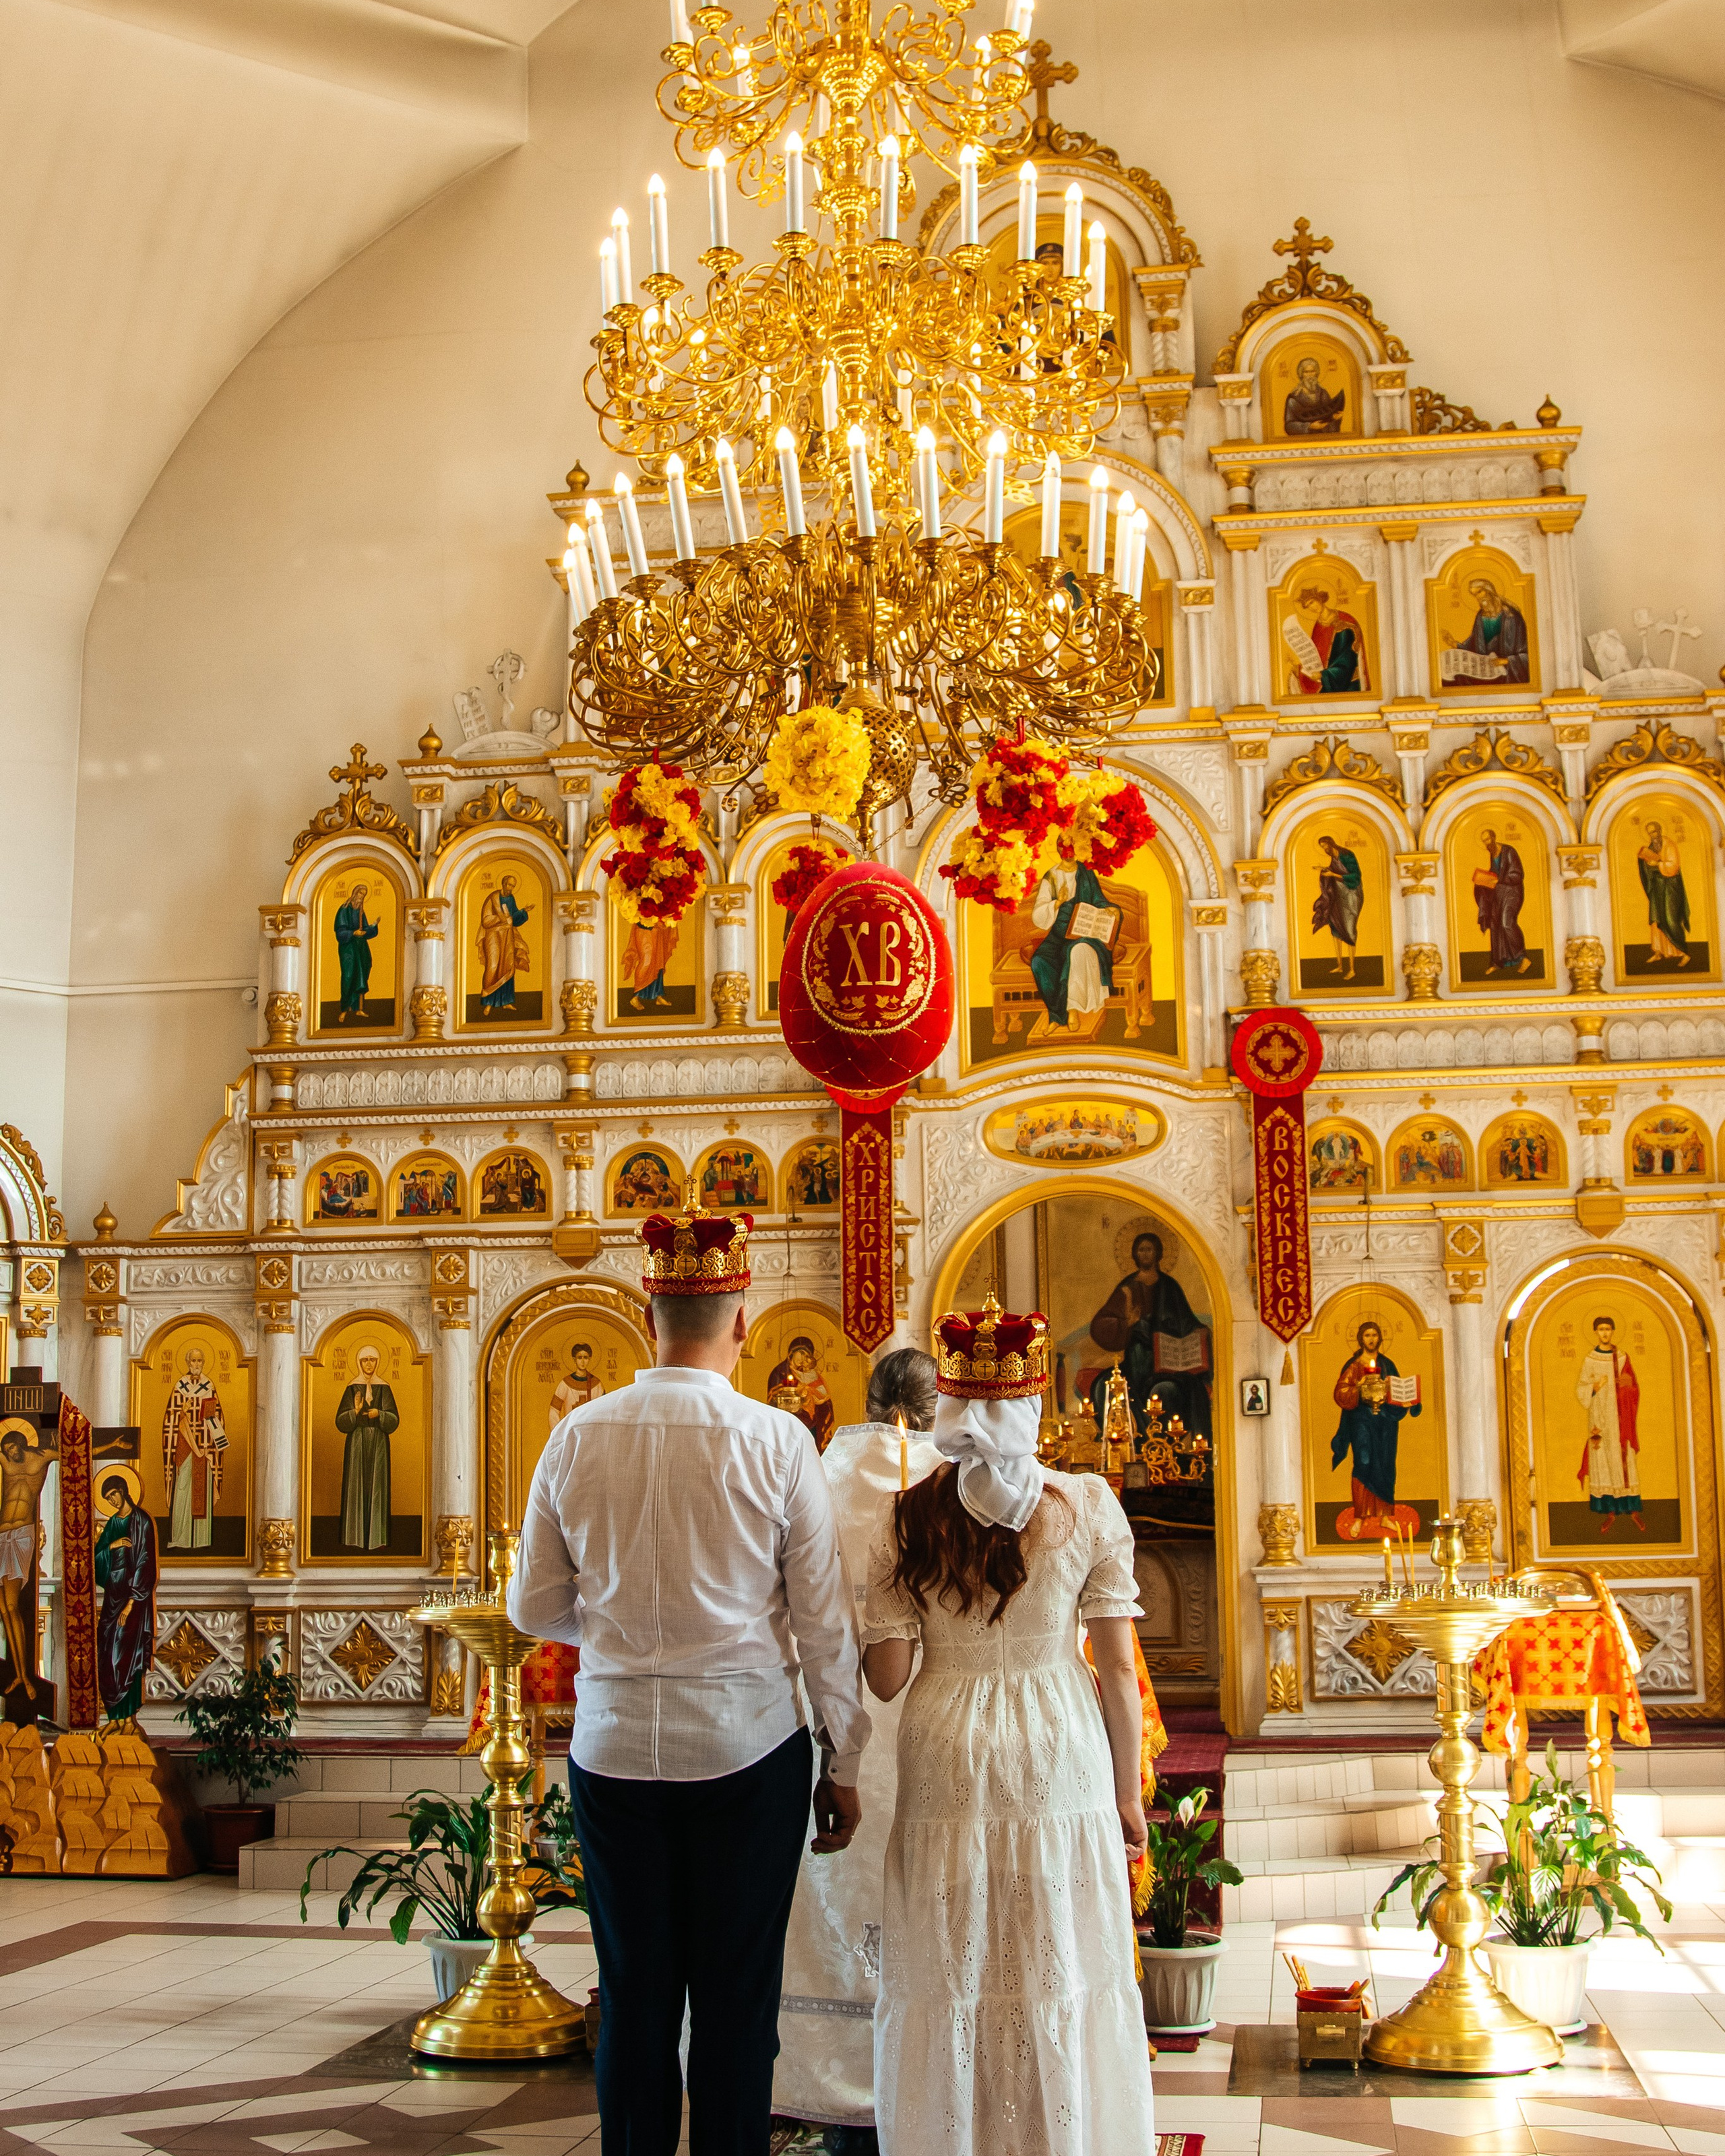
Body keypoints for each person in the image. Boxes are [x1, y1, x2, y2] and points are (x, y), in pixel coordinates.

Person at [508, 1182, 870, 2156]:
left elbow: (531, 1608)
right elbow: (825, 1624)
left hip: (614, 1749)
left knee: (632, 1988)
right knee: (737, 1998)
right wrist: (843, 1762)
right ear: (744, 1323)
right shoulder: (779, 1439)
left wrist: (628, 1636)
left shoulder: (577, 1435)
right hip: (749, 1749)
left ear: (644, 1313)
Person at [862, 1296, 1154, 2156]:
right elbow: (1118, 1675)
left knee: (956, 1954)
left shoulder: (906, 1513)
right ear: (1030, 1409)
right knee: (1053, 1949)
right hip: (1057, 1735)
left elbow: (885, 1679)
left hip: (944, 1733)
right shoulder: (1088, 1503)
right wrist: (1126, 1790)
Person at [774, 1348, 942, 2147]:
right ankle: (936, 2082)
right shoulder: (968, 1486)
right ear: (937, 1407)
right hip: (943, 1728)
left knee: (831, 1893)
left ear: (866, 1403)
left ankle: (839, 2096)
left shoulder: (815, 1475)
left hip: (831, 1719)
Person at [1088, 1229, 1212, 1442]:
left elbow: (1185, 1321)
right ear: (1135, 1254)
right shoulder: (1128, 1287)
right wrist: (1128, 1323)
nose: (1145, 1254)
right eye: (1141, 1249)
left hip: (1166, 1362)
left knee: (1165, 1391)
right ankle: (1125, 1443)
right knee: (1102, 1384)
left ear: (1159, 1253)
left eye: (1149, 1249)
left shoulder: (1169, 1287)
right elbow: (1103, 1323)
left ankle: (1163, 1446)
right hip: (1137, 1359)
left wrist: (1200, 1331)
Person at [1329, 1320, 1420, 1537]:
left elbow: (1399, 1388)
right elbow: (1341, 1392)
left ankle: (1386, 1516)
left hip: (1385, 1423)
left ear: (1380, 1338)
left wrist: (1407, 1401)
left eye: (1375, 1335)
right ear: (1361, 1339)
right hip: (1361, 1422)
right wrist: (1358, 1388)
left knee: (1387, 1463)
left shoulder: (1388, 1364)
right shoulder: (1354, 1365)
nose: (1371, 1339)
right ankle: (1360, 1517)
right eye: (1367, 1335)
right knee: (1364, 1462)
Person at [0, 1425, 58, 1703]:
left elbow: (78, 1453)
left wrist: (109, 1446)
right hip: (1, 1535)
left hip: (22, 1535)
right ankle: (18, 1674)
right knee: (3, 1608)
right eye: (6, 1451)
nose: (10, 1454)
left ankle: (24, 1675)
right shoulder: (5, 1462)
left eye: (13, 1449)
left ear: (22, 1444)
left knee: (12, 1606)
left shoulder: (42, 1457)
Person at [1026, 861, 1118, 1032]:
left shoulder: (1087, 874)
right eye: (1064, 847)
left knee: (1076, 952)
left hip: (1085, 934)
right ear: (1059, 850)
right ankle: (1057, 1015)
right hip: (1058, 934)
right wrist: (1057, 903)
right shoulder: (1052, 877)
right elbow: (1038, 915)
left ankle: (1072, 1009)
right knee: (1039, 961)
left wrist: (1109, 909)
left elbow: (1099, 900)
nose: (1068, 853)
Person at [95, 1473, 157, 1723]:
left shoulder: (141, 1520)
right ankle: (114, 1720)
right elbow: (97, 1555)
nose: (111, 1500)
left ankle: (129, 1720)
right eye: (107, 1498)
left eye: (113, 1495)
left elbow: (145, 1561)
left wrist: (132, 1602)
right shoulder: (112, 1523)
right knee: (106, 1654)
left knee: (127, 1656)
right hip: (112, 1595)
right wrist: (112, 1546)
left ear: (123, 1491)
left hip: (133, 1599)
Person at [1576, 1315, 1644, 1534]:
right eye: (1601, 1329)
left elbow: (1634, 1387)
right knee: (1602, 1457)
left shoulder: (1622, 1357)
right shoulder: (1590, 1359)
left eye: (1608, 1329)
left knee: (1623, 1457)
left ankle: (1629, 1507)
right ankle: (1608, 1510)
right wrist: (1595, 1386)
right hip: (1599, 1418)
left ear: (1613, 1331)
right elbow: (1581, 1389)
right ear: (1596, 1332)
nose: (1605, 1333)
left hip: (1620, 1417)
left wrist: (1625, 1386)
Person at [162, 1345, 228, 1551]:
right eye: (193, 1361)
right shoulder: (179, 1386)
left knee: (203, 1491)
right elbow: (169, 1421)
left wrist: (212, 1425)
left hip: (205, 1447)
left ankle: (201, 1539)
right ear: (187, 1363)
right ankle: (181, 1537)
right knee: (182, 1491)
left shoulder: (209, 1385)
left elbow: (218, 1417)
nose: (196, 1365)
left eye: (200, 1361)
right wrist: (181, 1414)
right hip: (185, 1448)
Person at [337, 1343, 398, 1550]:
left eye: (373, 1359)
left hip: (379, 1442)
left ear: (378, 1362)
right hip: (357, 1442)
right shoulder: (352, 1387)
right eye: (365, 1360)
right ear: (359, 1362)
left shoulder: (384, 1387)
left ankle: (377, 1538)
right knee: (356, 1486)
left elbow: (394, 1419)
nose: (369, 1364)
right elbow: (340, 1422)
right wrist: (354, 1411)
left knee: (377, 1488)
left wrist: (379, 1415)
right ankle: (354, 1537)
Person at [1472, 827, 1530, 975]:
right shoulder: (1493, 854)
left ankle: (1523, 958)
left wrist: (1499, 879)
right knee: (1496, 925)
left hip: (1512, 894)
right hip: (1499, 894)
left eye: (1487, 840)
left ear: (1493, 837)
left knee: (1506, 923)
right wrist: (1484, 880)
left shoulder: (1509, 852)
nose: (1486, 844)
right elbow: (1494, 873)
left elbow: (1517, 875)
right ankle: (1499, 962)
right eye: (1484, 841)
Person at [1637, 820, 1691, 967]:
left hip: (1671, 888)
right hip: (1657, 888)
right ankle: (1659, 951)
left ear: (1660, 831)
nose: (1653, 835)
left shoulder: (1669, 845)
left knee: (1670, 918)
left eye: (1654, 832)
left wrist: (1658, 864)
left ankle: (1683, 952)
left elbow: (1673, 867)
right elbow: (1647, 869)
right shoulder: (1651, 847)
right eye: (1650, 833)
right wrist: (1646, 863)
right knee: (1656, 920)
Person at [767, 1335, 836, 1452]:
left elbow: (825, 1399)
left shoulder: (812, 1374)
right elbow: (772, 1397)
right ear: (792, 1352)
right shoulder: (780, 1372)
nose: (803, 1358)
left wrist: (816, 1398)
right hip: (789, 1424)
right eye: (802, 1353)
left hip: (813, 1425)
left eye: (807, 1356)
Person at [1312, 834, 1363, 981]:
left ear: (1332, 843)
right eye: (1323, 847)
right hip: (1338, 895)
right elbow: (1335, 872)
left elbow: (1355, 876)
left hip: (1351, 896)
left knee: (1349, 928)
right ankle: (1340, 965)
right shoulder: (1334, 859)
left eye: (1326, 846)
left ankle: (1352, 969)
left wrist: (1332, 874)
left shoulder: (1347, 856)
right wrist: (1323, 869)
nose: (1325, 849)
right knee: (1335, 926)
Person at [478, 873, 532, 1014]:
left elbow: (513, 917)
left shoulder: (511, 898)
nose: (511, 888)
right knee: (493, 965)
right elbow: (486, 920)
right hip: (493, 935)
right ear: (503, 884)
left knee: (507, 965)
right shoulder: (493, 898)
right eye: (509, 885)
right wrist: (502, 918)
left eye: (513, 886)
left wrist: (523, 912)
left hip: (507, 935)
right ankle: (488, 1002)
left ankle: (506, 1001)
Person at [334, 881, 379, 1022]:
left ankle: (358, 1009)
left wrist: (373, 926)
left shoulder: (360, 911)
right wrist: (353, 933)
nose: (361, 898)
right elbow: (340, 932)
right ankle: (344, 1010)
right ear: (355, 893)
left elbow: (364, 929)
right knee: (348, 976)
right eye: (360, 894)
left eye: (364, 895)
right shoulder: (344, 909)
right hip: (348, 948)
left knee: (363, 972)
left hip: (360, 947)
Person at [1283, 354, 1344, 435]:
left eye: (1312, 371)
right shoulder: (1293, 400)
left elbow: (1329, 418)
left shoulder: (1323, 394)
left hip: (1324, 440)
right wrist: (1309, 426)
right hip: (1303, 442)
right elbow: (1289, 426)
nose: (1310, 375)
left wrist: (1335, 419)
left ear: (1317, 373)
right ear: (1301, 375)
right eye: (1306, 372)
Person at [548, 1341, 604, 1428]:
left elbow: (604, 1411)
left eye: (585, 1358)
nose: (583, 1361)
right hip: (571, 1430)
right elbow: (554, 1410)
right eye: (579, 1358)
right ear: (574, 1359)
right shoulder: (565, 1383)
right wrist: (559, 1433)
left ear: (589, 1359)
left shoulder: (597, 1384)